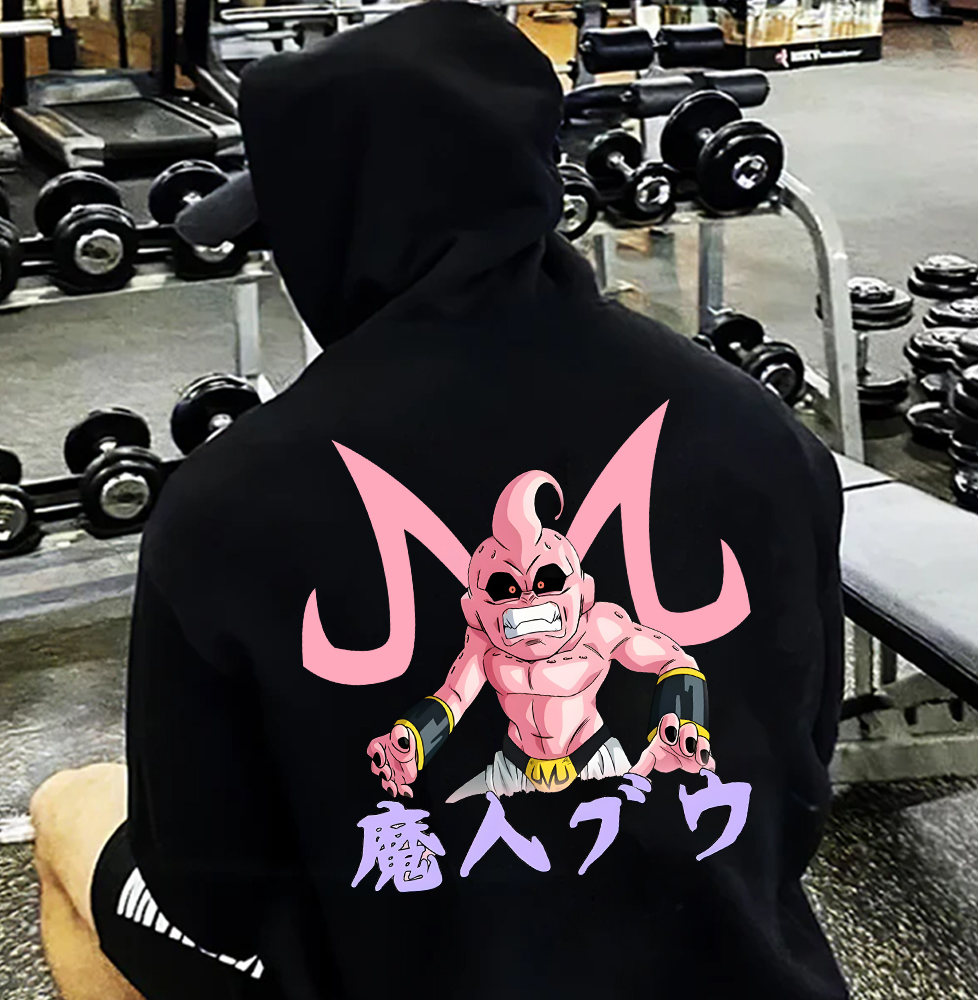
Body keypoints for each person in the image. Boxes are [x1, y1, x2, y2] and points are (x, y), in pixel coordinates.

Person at [29, 3, 849, 999]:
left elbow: (209, 895)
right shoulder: (765, 435)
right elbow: (799, 782)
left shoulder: (223, 509)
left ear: (333, 228)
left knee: (69, 808)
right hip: (739, 975)